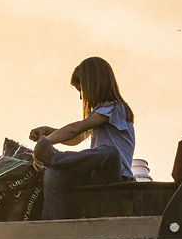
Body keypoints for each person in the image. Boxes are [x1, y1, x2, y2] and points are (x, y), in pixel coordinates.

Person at [29, 56, 136, 220]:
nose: (81, 98)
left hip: (117, 175)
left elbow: (74, 129)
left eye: (82, 91)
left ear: (94, 85)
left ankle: (56, 158)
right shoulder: (99, 114)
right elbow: (76, 137)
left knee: (111, 152)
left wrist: (47, 143)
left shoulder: (115, 108)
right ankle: (51, 227)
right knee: (52, 175)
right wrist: (47, 132)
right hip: (96, 175)